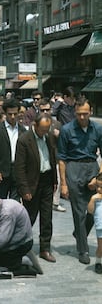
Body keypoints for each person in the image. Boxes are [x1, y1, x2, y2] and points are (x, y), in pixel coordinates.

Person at [58, 97, 102, 265]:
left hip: (92, 167)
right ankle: (82, 249)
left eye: (85, 114)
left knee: (95, 208)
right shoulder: (67, 130)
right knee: (79, 211)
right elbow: (61, 158)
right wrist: (63, 183)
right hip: (74, 168)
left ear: (90, 112)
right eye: (79, 114)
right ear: (74, 113)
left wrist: (98, 178)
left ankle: (79, 232)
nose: (82, 117)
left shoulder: (97, 129)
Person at [14, 113, 58, 263]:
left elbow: (52, 158)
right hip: (32, 182)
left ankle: (45, 248)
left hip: (47, 180)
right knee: (29, 217)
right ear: (35, 126)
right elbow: (19, 167)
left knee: (47, 217)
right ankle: (20, 245)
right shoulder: (24, 140)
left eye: (48, 129)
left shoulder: (50, 137)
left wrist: (55, 180)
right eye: (43, 129)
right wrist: (24, 189)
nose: (45, 132)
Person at [0, 98, 26, 200]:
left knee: (15, 205)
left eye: (15, 114)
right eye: (10, 114)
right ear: (5, 113)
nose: (13, 117)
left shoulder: (23, 131)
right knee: (0, 204)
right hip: (1, 173)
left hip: (18, 173)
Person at [38, 99, 66, 213]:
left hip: (55, 156)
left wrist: (59, 135)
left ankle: (55, 202)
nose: (45, 111)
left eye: (47, 109)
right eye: (42, 110)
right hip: (40, 156)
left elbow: (64, 142)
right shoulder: (35, 124)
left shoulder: (57, 124)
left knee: (58, 180)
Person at [87, 172, 102, 274]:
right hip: (100, 226)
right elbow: (90, 211)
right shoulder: (96, 198)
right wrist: (92, 200)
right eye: (98, 187)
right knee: (101, 246)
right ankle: (98, 262)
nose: (99, 190)